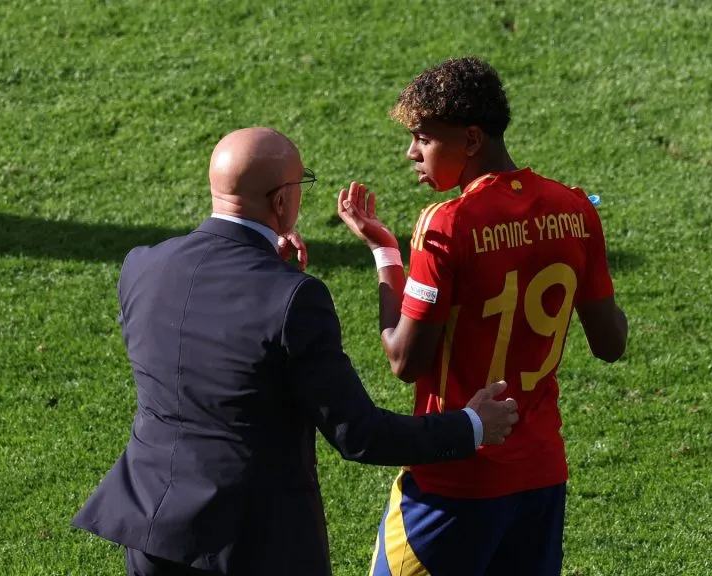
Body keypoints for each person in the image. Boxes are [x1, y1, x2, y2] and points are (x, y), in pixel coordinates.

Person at [71, 126, 521, 576]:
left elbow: (203, 342)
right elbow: (358, 434)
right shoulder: (294, 299)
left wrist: (267, 266)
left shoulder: (141, 266)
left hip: (153, 530)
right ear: (281, 202)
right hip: (252, 544)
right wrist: (472, 425)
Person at [336, 58, 628, 575]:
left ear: (471, 140)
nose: (412, 153)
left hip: (455, 482)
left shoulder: (447, 224)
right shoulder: (576, 211)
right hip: (540, 478)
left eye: (423, 138)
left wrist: (386, 257)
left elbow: (404, 358)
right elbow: (611, 343)